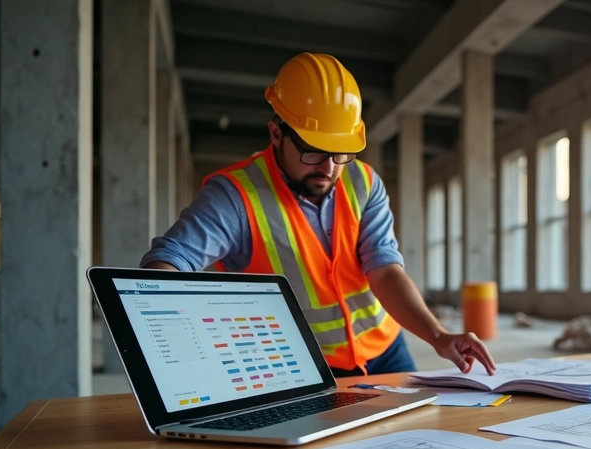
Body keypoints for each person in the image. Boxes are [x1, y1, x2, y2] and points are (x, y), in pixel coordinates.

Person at [141, 53, 494, 378]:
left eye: (341, 153)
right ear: (276, 133)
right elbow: (170, 261)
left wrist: (438, 335)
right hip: (301, 365)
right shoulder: (234, 197)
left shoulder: (363, 181)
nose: (328, 167)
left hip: (386, 349)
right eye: (313, 151)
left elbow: (384, 269)